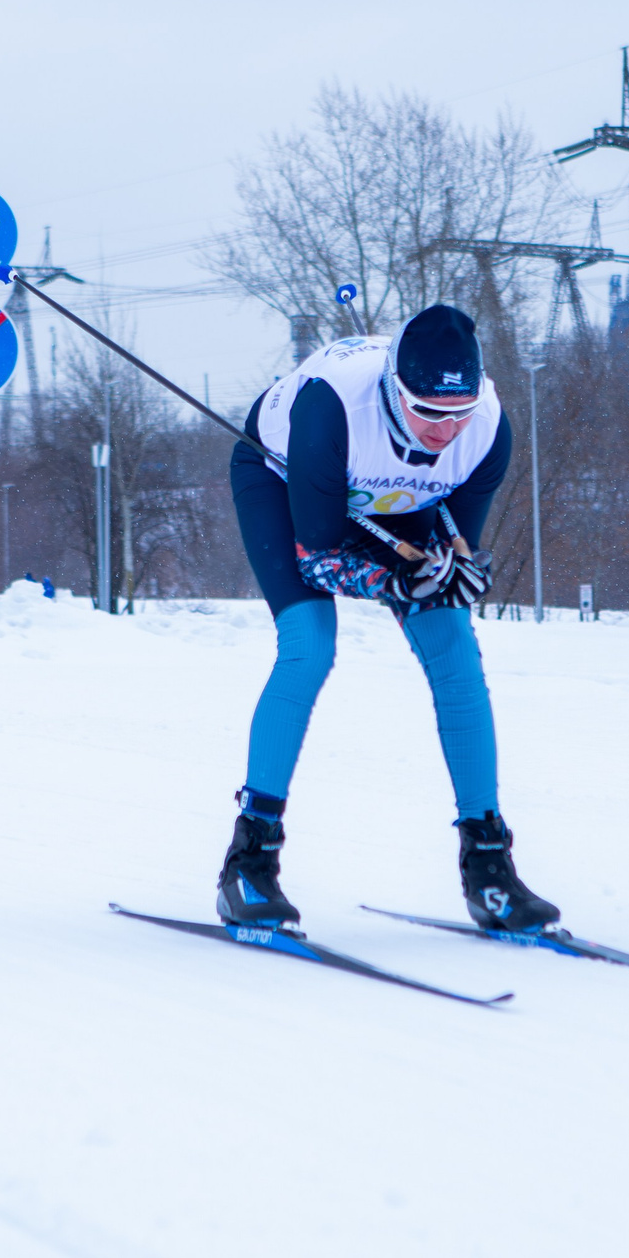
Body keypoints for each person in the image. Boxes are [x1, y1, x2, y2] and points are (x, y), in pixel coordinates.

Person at [218, 303, 560, 935]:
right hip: (286, 478)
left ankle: (488, 866)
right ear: (394, 390)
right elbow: (320, 558)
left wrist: (458, 568)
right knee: (309, 644)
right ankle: (250, 859)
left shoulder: (487, 428)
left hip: (397, 501)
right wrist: (392, 575)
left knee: (453, 643)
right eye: (428, 411)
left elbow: (455, 536)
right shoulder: (333, 406)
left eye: (457, 413)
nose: (443, 430)